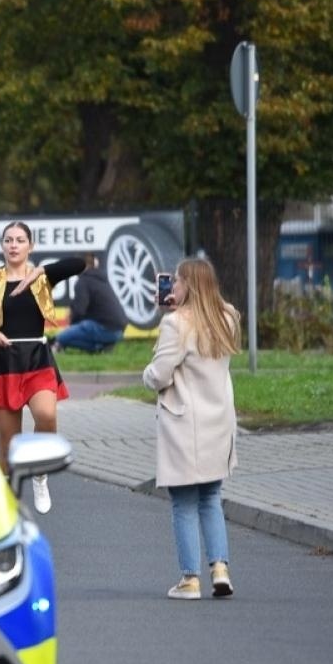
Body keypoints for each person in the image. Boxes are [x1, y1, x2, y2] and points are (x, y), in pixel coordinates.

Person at [0, 221, 84, 513]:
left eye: (20, 240)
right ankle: (4, 509)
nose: (13, 245)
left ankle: (40, 474)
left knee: (46, 415)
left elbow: (79, 263)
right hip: (2, 362)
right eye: (8, 240)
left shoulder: (42, 278)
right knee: (8, 448)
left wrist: (42, 270)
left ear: (30, 245)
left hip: (36, 358)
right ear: (2, 245)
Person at [142, 257, 240, 600]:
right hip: (219, 420)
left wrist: (145, 375)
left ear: (188, 286)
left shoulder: (176, 324)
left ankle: (189, 579)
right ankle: (221, 569)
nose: (173, 288)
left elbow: (160, 373)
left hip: (185, 423)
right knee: (211, 497)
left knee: (183, 502)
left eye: (178, 283)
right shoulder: (226, 316)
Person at [54, 252, 127, 353]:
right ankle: (101, 347)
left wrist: (71, 326)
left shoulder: (83, 282)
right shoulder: (101, 279)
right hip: (119, 332)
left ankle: (57, 345)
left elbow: (79, 310)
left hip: (104, 328)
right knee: (72, 336)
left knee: (61, 337)